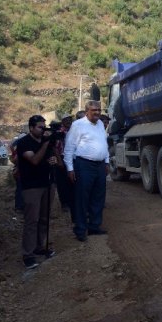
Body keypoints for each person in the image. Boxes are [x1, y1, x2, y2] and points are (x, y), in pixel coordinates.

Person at [64, 100, 109, 242]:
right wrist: (70, 169)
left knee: (98, 197)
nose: (97, 113)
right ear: (87, 111)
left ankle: (94, 226)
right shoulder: (78, 125)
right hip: (84, 165)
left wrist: (106, 161)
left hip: (100, 165)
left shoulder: (101, 124)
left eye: (99, 110)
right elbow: (69, 148)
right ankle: (80, 230)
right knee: (82, 199)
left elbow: (104, 143)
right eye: (94, 110)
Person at [17, 115, 56, 269]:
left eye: (44, 126)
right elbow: (34, 160)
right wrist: (46, 144)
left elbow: (56, 161)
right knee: (31, 221)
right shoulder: (23, 143)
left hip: (47, 184)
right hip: (31, 187)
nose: (43, 130)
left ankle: (41, 246)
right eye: (40, 127)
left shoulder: (46, 142)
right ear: (31, 128)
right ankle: (28, 254)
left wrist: (53, 158)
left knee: (44, 218)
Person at [53, 116, 74, 215]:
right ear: (62, 121)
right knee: (62, 182)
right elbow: (55, 147)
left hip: (71, 158)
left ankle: (71, 202)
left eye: (70, 120)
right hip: (61, 157)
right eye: (66, 120)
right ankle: (64, 203)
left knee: (71, 181)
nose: (69, 122)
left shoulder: (74, 131)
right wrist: (59, 160)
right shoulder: (59, 132)